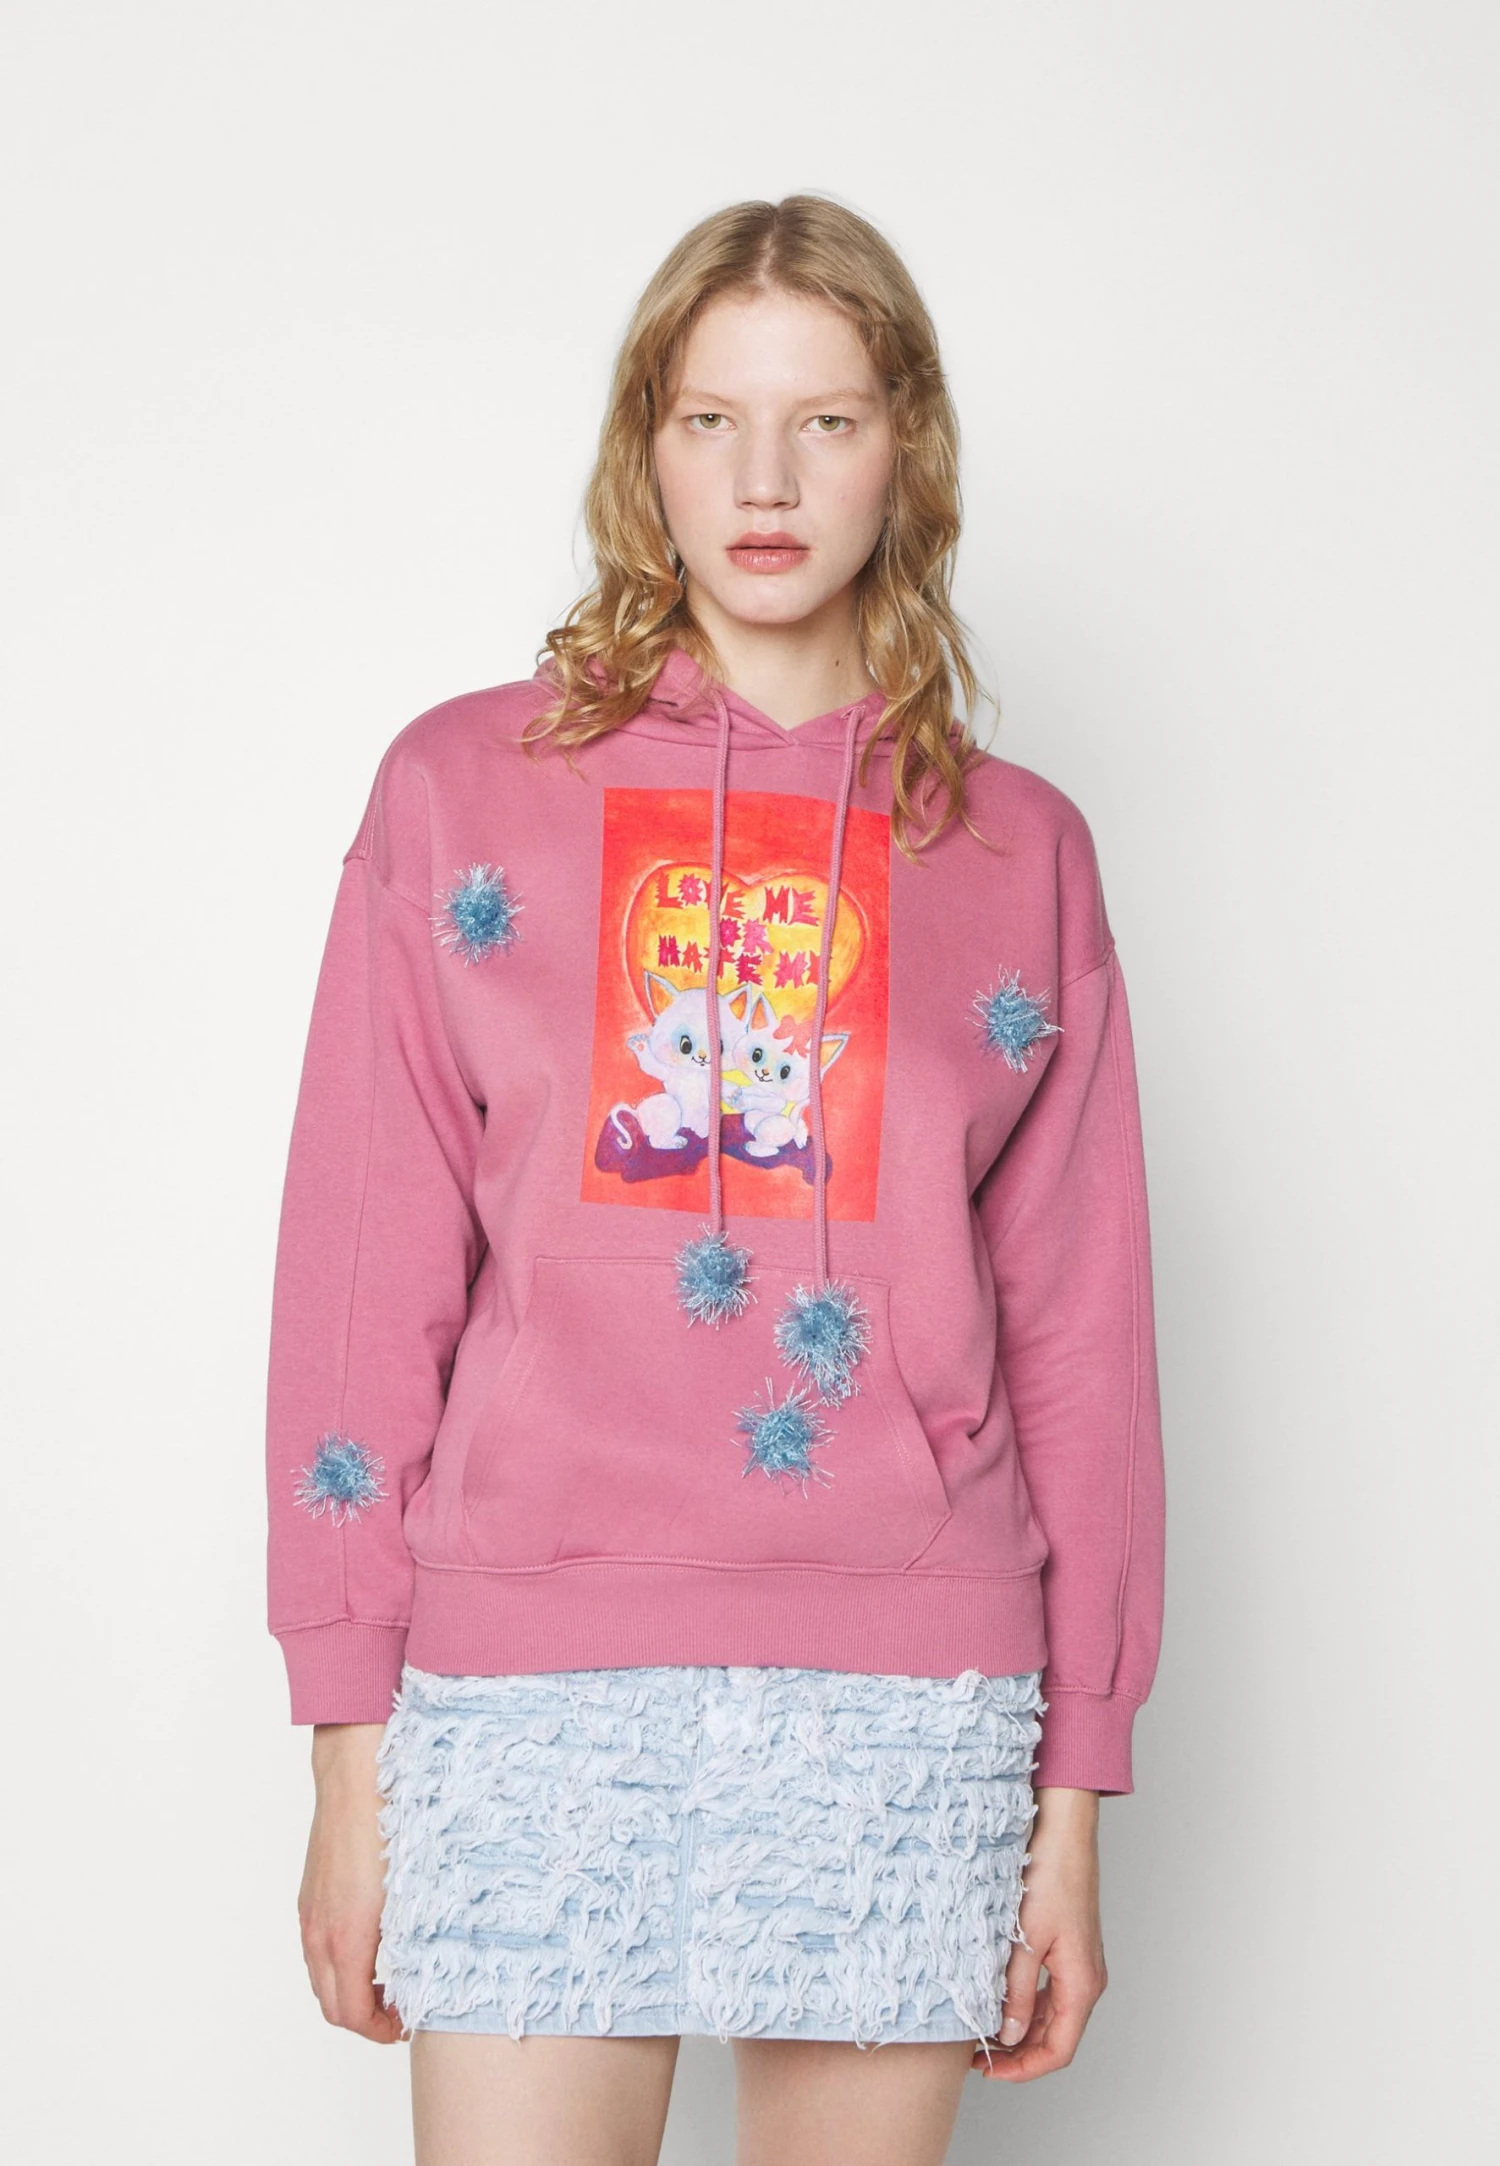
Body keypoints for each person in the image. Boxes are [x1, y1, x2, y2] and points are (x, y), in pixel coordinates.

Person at [267, 193, 1166, 2166]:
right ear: (644, 448)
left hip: (907, 1686)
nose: (766, 481)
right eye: (712, 420)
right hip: (524, 1675)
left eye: (826, 420)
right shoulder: (460, 792)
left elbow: (1084, 1341)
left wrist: (1075, 1794)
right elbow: (363, 1275)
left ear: (906, 447)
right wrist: (349, 1746)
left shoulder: (1015, 851)